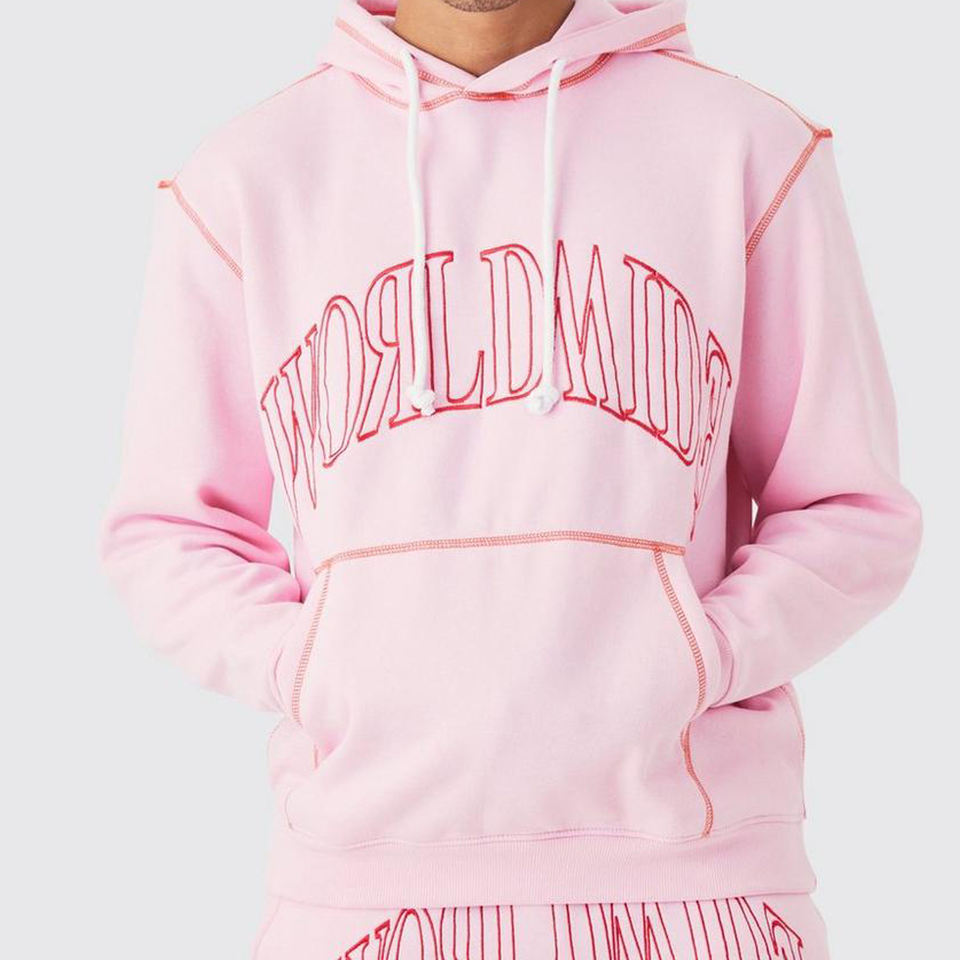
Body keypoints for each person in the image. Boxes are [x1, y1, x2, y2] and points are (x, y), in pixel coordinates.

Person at [101, 0, 922, 956]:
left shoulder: (747, 149)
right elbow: (172, 532)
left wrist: (705, 654)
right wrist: (314, 665)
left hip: (697, 893)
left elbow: (848, 506)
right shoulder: (246, 178)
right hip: (361, 897)